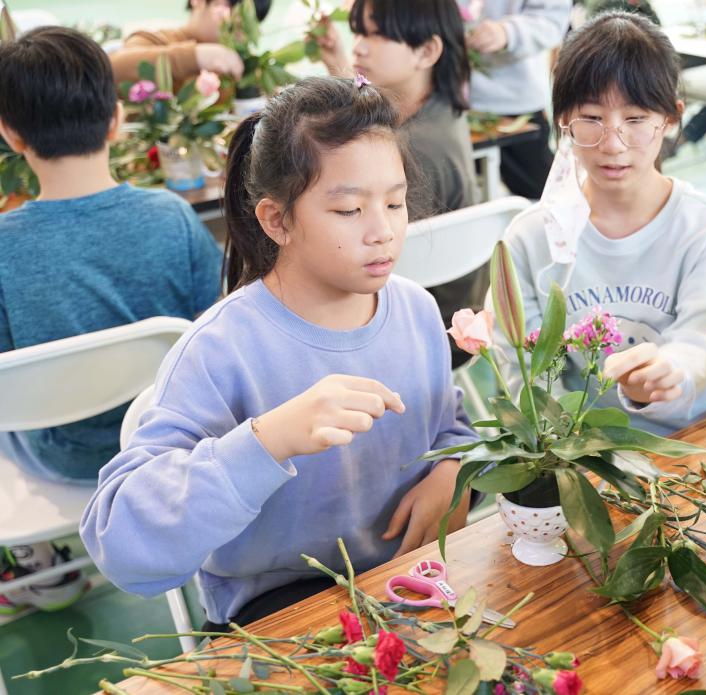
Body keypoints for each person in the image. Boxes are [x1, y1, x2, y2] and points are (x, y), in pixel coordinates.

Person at [80, 77, 478, 630]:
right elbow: (120, 544)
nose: (383, 231)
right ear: (277, 220)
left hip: (405, 584)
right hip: (280, 609)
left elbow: (447, 423)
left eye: (394, 202)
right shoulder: (220, 350)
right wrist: (268, 441)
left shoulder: (412, 309)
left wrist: (453, 468)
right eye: (348, 211)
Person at [0, 26, 222, 612]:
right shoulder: (172, 218)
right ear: (117, 120)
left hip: (61, 455)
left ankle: (41, 567)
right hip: (168, 442)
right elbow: (216, 328)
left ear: (9, 133)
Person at [496, 11, 706, 437]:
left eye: (634, 120)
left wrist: (671, 372)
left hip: (696, 437)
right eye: (591, 119)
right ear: (563, 121)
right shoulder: (532, 237)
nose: (613, 144)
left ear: (669, 118)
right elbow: (521, 369)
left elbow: (701, 338)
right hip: (585, 452)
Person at [318, 0, 482, 366]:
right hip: (445, 315)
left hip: (425, 333)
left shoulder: (415, 151)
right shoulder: (435, 113)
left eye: (375, 35)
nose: (359, 45)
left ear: (427, 50)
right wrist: (338, 66)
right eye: (358, 31)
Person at [459, 0, 573, 199]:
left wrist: (508, 32)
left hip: (516, 102)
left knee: (548, 197)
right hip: (452, 103)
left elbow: (553, 21)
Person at [109, 0, 272, 88]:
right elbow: (113, 69)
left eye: (252, 21)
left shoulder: (240, 68)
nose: (240, 31)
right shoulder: (154, 40)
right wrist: (196, 56)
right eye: (233, 8)